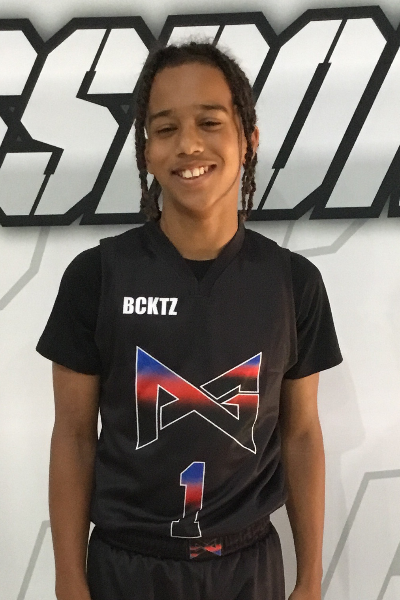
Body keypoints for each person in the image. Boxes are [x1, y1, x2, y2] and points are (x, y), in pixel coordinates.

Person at [37, 42, 342, 600]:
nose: (189, 145)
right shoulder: (95, 277)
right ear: (146, 151)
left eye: (209, 122)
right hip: (125, 568)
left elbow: (300, 433)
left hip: (247, 568)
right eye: (165, 128)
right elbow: (74, 437)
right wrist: (68, 581)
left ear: (249, 139)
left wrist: (311, 579)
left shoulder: (293, 283)